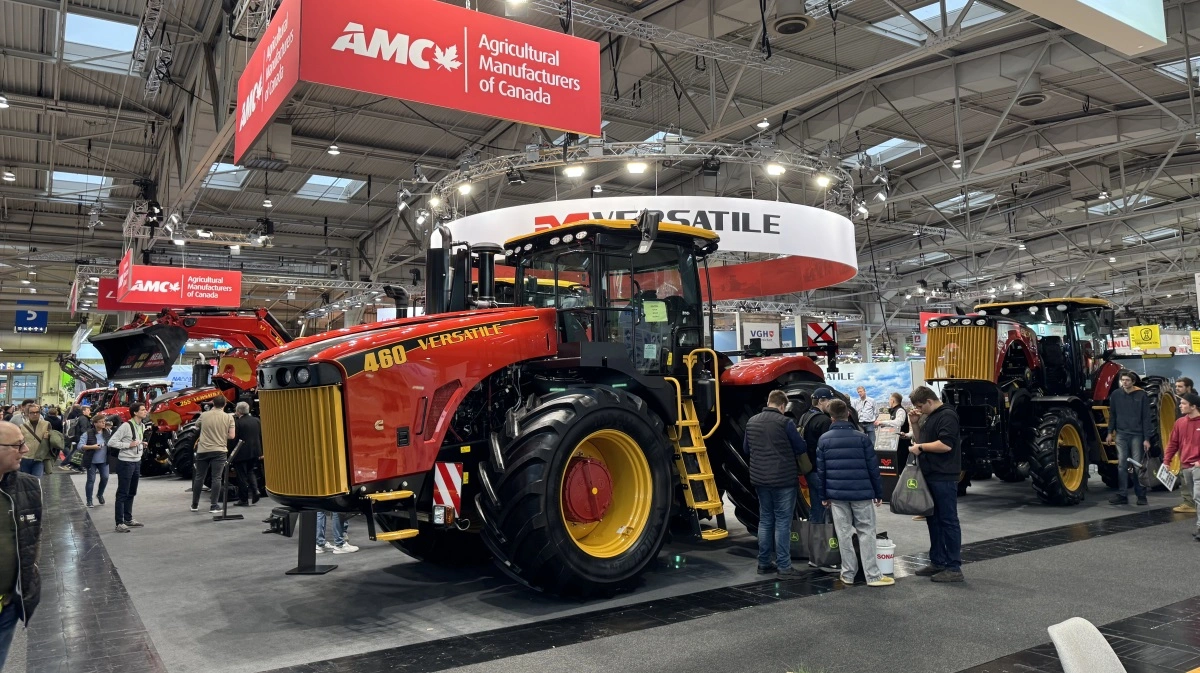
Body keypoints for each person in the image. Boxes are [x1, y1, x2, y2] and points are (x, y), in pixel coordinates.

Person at [817, 399, 893, 587]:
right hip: (862, 494)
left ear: (831, 417)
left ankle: (848, 574)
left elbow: (822, 471)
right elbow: (873, 468)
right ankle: (872, 576)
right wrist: (878, 492)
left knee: (843, 533)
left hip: (837, 495)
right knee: (866, 531)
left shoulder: (824, 439)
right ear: (848, 414)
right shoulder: (862, 438)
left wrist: (823, 496)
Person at [743, 390, 808, 576]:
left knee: (765, 521)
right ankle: (784, 566)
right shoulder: (785, 422)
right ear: (782, 405)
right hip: (783, 480)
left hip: (760, 479)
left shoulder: (751, 422)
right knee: (782, 522)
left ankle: (763, 563)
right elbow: (800, 447)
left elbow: (746, 449)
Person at [909, 386, 964, 583]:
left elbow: (945, 445)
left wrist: (921, 447)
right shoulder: (929, 416)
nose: (918, 410)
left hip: (944, 476)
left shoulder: (947, 416)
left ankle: (953, 567)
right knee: (934, 519)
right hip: (930, 475)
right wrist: (915, 424)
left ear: (929, 401)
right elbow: (919, 440)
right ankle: (938, 561)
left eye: (920, 406)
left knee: (948, 520)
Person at [0, 420, 42, 668]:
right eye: (18, 445)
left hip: (7, 608)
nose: (26, 450)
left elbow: (32, 539)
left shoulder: (29, 487)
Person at [1109, 371, 1151, 506]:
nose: (1125, 382)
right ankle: (1122, 494)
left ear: (1133, 382)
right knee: (1122, 465)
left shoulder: (1141, 395)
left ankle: (1141, 495)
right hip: (1121, 434)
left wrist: (1147, 438)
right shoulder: (1116, 395)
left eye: (1127, 380)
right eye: (1123, 380)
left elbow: (1146, 418)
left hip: (1137, 434)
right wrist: (1110, 432)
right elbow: (1112, 414)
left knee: (1137, 465)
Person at [1164, 392, 1200, 539]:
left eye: (1184, 403)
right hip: (1186, 467)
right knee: (1194, 498)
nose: (1180, 406)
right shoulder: (1180, 422)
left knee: (1199, 498)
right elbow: (1173, 443)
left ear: (1193, 406)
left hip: (1198, 467)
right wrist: (1167, 461)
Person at [798, 387, 836, 525]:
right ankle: (828, 540)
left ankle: (814, 539)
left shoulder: (804, 416)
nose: (830, 404)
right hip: (821, 470)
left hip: (809, 469)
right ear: (821, 401)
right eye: (829, 401)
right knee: (828, 507)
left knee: (816, 507)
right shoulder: (824, 421)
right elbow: (828, 448)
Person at [108, 403, 148, 533]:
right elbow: (111, 442)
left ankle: (128, 518)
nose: (145, 411)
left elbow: (136, 440)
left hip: (136, 462)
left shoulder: (142, 425)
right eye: (142, 410)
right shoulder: (126, 426)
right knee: (122, 493)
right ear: (135, 412)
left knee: (132, 492)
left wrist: (141, 444)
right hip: (125, 463)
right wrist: (128, 444)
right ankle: (119, 522)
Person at [193, 404, 235, 513]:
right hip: (219, 451)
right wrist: (221, 434)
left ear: (213, 404)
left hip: (203, 450)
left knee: (199, 477)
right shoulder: (228, 417)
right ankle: (214, 505)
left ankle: (194, 505)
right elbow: (231, 436)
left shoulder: (204, 415)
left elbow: (197, 426)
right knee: (216, 478)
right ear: (224, 405)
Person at [1174, 378, 1197, 514]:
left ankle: (1190, 502)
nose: (1177, 388)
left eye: (1180, 386)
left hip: (1192, 444)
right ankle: (1189, 501)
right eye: (1176, 386)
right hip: (1184, 442)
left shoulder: (1194, 402)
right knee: (1185, 473)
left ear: (1188, 387)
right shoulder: (1178, 401)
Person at [231, 402, 262, 507]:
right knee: (250, 472)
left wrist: (230, 453)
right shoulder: (257, 420)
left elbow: (234, 439)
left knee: (241, 476)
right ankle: (255, 490)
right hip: (255, 452)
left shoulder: (238, 423)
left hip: (241, 453)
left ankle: (243, 499)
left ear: (238, 411)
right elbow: (261, 436)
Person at [79, 416, 112, 508]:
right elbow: (80, 446)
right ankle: (89, 500)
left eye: (104, 421)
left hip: (104, 460)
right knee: (91, 480)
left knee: (105, 478)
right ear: (95, 423)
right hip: (91, 461)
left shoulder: (107, 432)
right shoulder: (87, 433)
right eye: (101, 422)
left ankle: (100, 494)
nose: (103, 423)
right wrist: (92, 447)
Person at [17, 402, 51, 477]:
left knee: (36, 481)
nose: (35, 414)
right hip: (25, 458)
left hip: (39, 458)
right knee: (26, 481)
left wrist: (48, 437)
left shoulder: (46, 424)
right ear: (28, 414)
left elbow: (51, 441)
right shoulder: (22, 426)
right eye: (32, 413)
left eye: (37, 412)